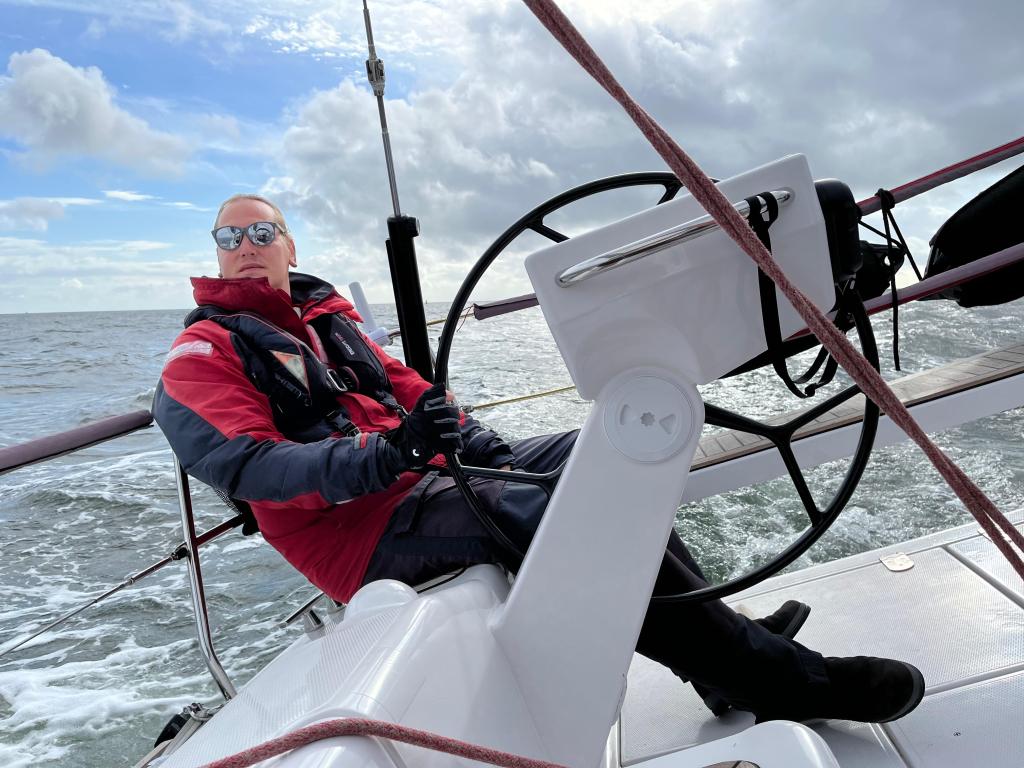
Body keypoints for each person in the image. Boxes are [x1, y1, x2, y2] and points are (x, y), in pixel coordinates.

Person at [153, 193, 925, 724]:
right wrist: (391, 452)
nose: (246, 247)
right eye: (230, 238)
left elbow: (415, 390)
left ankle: (718, 647)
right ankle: (777, 677)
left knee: (602, 455)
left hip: (430, 479)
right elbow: (255, 469)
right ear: (214, 255)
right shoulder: (200, 356)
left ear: (289, 245)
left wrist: (479, 448)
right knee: (549, 505)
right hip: (358, 533)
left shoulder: (329, 317)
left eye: (262, 233)